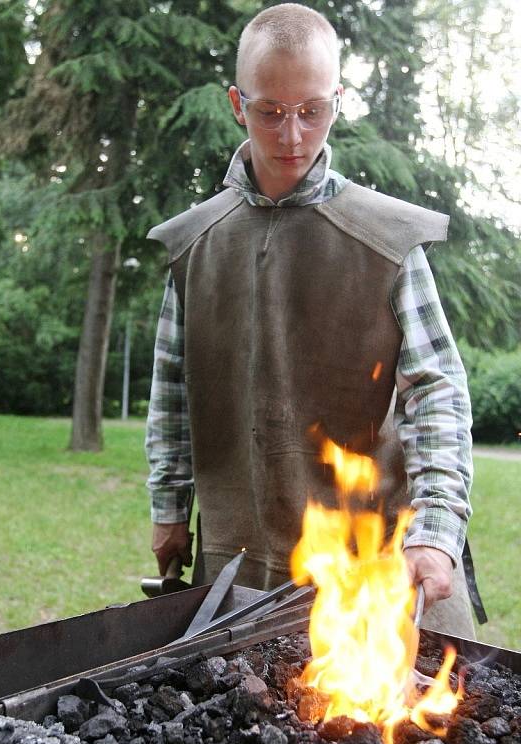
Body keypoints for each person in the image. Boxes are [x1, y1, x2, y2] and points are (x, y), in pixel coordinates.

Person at [145, 3, 485, 638]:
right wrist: (169, 508)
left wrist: (437, 530)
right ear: (236, 104)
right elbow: (172, 390)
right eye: (270, 111)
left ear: (339, 99)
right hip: (234, 566)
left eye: (313, 111)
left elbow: (437, 392)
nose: (293, 134)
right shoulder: (197, 244)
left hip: (371, 565)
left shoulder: (387, 241)